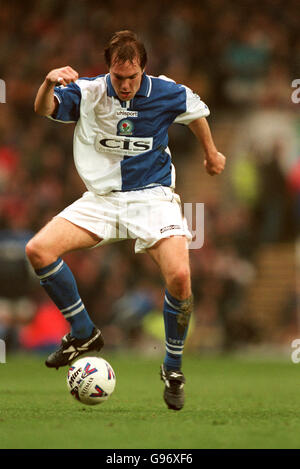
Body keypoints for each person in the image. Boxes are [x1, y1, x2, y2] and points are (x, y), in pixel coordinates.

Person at [26, 30, 226, 411]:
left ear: (143, 69)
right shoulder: (89, 92)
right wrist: (48, 82)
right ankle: (84, 333)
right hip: (101, 201)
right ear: (108, 71)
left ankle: (172, 368)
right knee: (38, 250)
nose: (126, 84)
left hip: (153, 199)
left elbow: (197, 114)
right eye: (119, 78)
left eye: (132, 77)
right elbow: (43, 109)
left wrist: (212, 154)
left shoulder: (166, 91)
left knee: (181, 277)